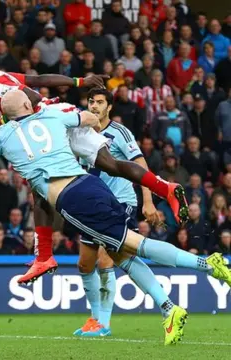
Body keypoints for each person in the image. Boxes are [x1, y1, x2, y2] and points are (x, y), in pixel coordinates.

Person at [0, 89, 231, 345]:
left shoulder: (3, 136)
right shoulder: (50, 116)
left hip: (76, 199)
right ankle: (167, 308)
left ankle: (208, 265)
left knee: (132, 246)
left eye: (100, 102)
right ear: (28, 106)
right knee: (121, 254)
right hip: (91, 184)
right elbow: (87, 119)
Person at [0, 68, 188, 284]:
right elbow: (36, 79)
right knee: (109, 165)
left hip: (52, 124)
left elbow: (32, 100)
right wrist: (81, 82)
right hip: (56, 117)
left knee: (43, 186)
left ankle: (44, 256)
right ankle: (166, 188)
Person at [73, 88, 158, 337]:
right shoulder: (79, 131)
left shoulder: (120, 133)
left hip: (120, 202)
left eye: (100, 102)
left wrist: (148, 200)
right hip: (92, 205)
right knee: (84, 264)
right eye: (91, 101)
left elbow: (141, 166)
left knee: (105, 259)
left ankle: (104, 324)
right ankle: (94, 318)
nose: (95, 106)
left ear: (109, 107)